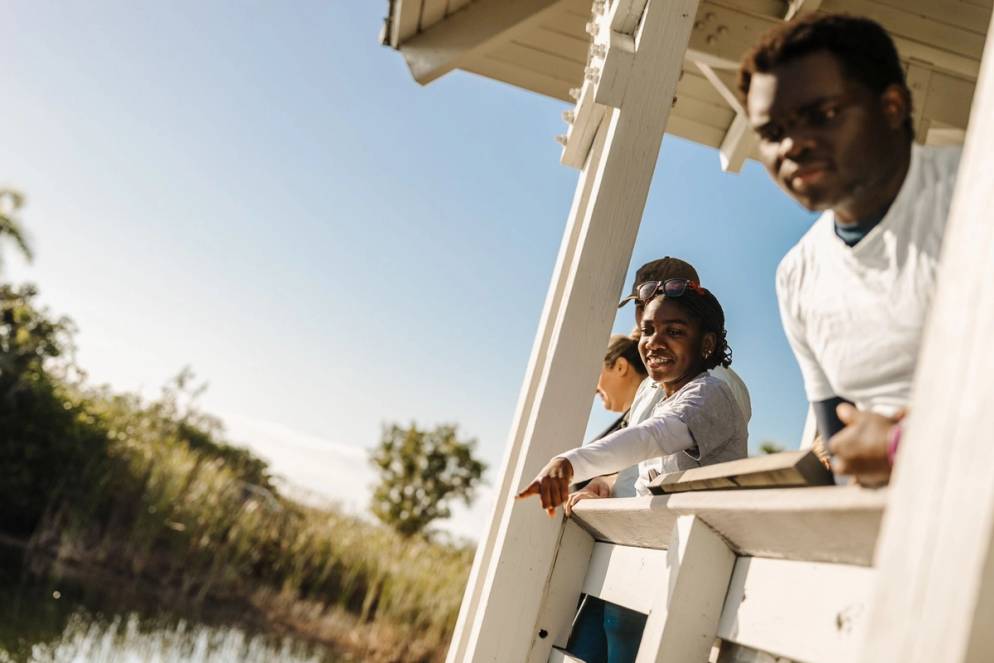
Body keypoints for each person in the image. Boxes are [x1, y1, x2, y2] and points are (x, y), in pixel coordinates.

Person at [739, 14, 962, 485]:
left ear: (892, 107)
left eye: (822, 115)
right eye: (772, 133)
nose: (792, 145)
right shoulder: (797, 275)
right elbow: (841, 447)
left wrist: (905, 447)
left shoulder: (974, 192)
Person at [517, 280, 748, 514]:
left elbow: (651, 436)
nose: (653, 343)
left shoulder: (711, 393)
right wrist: (607, 484)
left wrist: (569, 463)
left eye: (674, 332)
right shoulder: (662, 400)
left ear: (706, 343)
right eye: (647, 331)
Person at [570, 257, 751, 507]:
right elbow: (643, 467)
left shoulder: (717, 384)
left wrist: (570, 465)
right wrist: (608, 483)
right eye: (640, 305)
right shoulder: (650, 385)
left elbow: (675, 460)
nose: (647, 315)